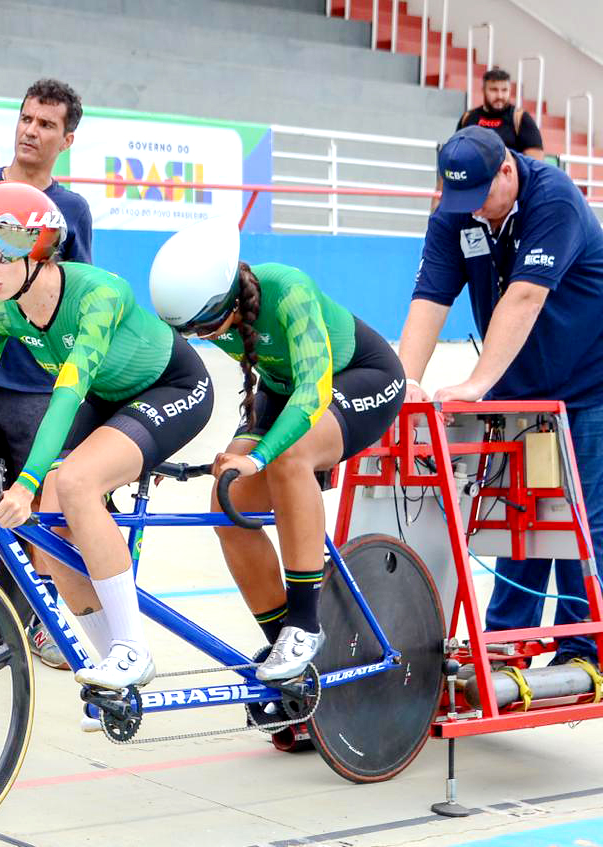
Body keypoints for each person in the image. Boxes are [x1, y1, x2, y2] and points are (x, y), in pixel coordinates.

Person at [0, 181, 215, 694]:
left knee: (73, 484)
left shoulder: (97, 295)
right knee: (50, 535)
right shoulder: (1, 310)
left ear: (37, 251)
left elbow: (66, 397)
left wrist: (26, 483)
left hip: (171, 387)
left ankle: (133, 648)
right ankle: (113, 672)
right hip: (106, 397)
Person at [149, 215, 406, 681]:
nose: (201, 337)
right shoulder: (204, 312)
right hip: (281, 389)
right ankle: (288, 654)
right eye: (189, 332)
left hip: (359, 379)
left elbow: (312, 389)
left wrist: (259, 457)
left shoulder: (288, 289)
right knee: (227, 503)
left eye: (205, 326)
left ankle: (304, 625)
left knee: (290, 457)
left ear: (228, 297)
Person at [400, 125, 603, 669]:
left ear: (508, 170)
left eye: (481, 195)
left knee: (582, 523)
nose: (474, 210)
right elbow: (429, 298)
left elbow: (526, 296)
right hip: (520, 390)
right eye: (461, 198)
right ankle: (507, 643)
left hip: (591, 384)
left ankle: (584, 648)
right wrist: (405, 383)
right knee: (518, 518)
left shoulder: (554, 198)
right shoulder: (457, 212)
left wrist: (474, 384)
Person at [0, 77, 93, 669]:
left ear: (67, 140)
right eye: (27, 118)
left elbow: (76, 296)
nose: (32, 131)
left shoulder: (71, 211)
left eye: (46, 124)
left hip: (35, 388)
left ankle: (48, 618)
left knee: (44, 509)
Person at [432, 67, 543, 212]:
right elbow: (454, 158)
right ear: (483, 89)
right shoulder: (469, 118)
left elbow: (535, 164)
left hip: (507, 196)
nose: (500, 95)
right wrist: (437, 202)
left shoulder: (520, 119)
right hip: (471, 192)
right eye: (494, 90)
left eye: (504, 90)